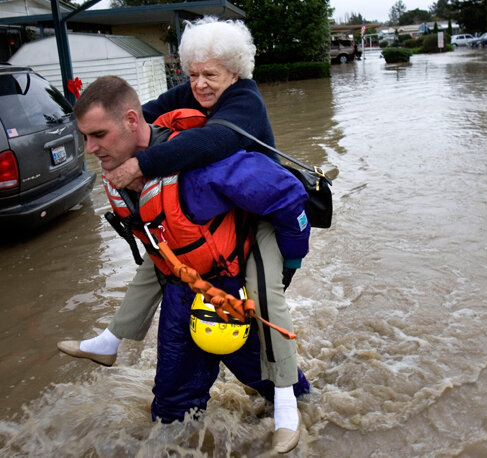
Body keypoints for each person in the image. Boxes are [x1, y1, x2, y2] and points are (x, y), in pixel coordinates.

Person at [57, 18, 307, 453]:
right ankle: (111, 339)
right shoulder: (192, 90)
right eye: (193, 73)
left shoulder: (244, 100)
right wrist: (124, 132)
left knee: (265, 296)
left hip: (258, 214)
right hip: (205, 225)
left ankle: (286, 400)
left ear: (234, 71)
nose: (200, 85)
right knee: (160, 263)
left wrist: (141, 165)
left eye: (210, 75)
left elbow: (211, 142)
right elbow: (145, 113)